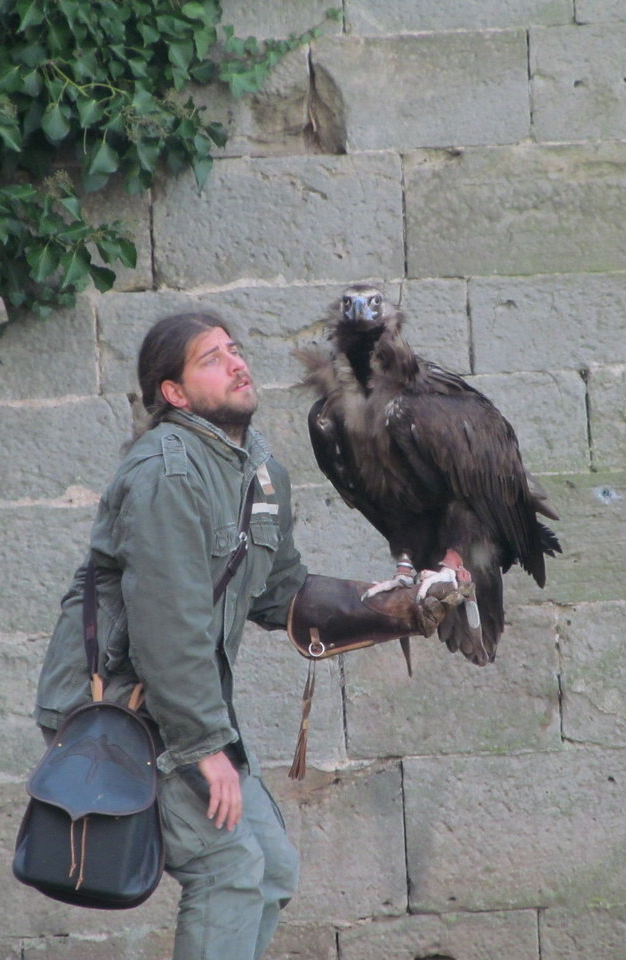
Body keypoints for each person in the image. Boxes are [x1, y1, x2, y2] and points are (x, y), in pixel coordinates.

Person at [32, 312, 463, 960]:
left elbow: (279, 590)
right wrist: (205, 745)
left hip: (181, 703)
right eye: (212, 359)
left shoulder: (258, 470)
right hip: (120, 705)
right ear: (173, 393)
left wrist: (394, 608)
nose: (238, 363)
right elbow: (165, 621)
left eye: (236, 351)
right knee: (228, 873)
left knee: (271, 870)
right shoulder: (166, 474)